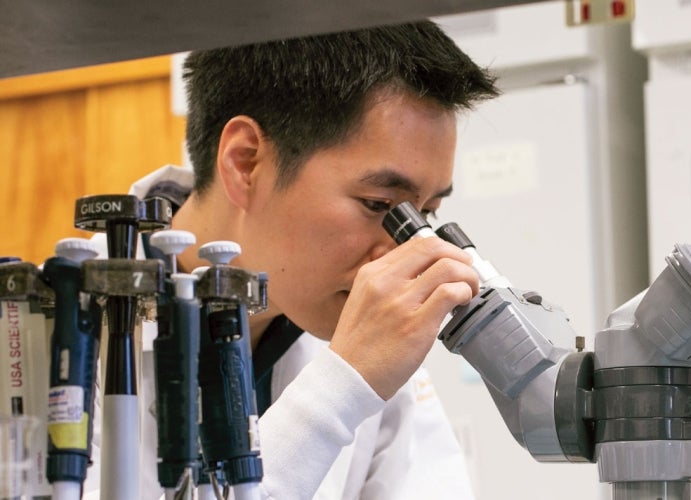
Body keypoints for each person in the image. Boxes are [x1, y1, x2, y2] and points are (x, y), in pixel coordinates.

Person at [85, 21, 499, 499]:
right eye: (380, 206)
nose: (408, 253)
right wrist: (336, 394)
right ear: (246, 162)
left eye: (427, 213)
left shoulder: (366, 351)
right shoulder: (47, 330)